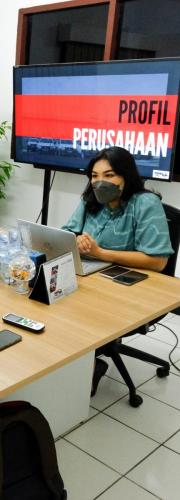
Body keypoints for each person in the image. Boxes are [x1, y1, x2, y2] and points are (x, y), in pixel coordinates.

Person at [62, 146, 174, 395]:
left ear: (126, 176)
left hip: (131, 286)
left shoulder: (145, 203)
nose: (100, 182)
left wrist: (101, 253)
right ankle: (68, 364)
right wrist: (76, 240)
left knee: (78, 311)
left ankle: (88, 366)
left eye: (109, 175)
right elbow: (67, 233)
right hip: (92, 276)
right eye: (94, 176)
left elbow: (158, 261)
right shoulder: (89, 200)